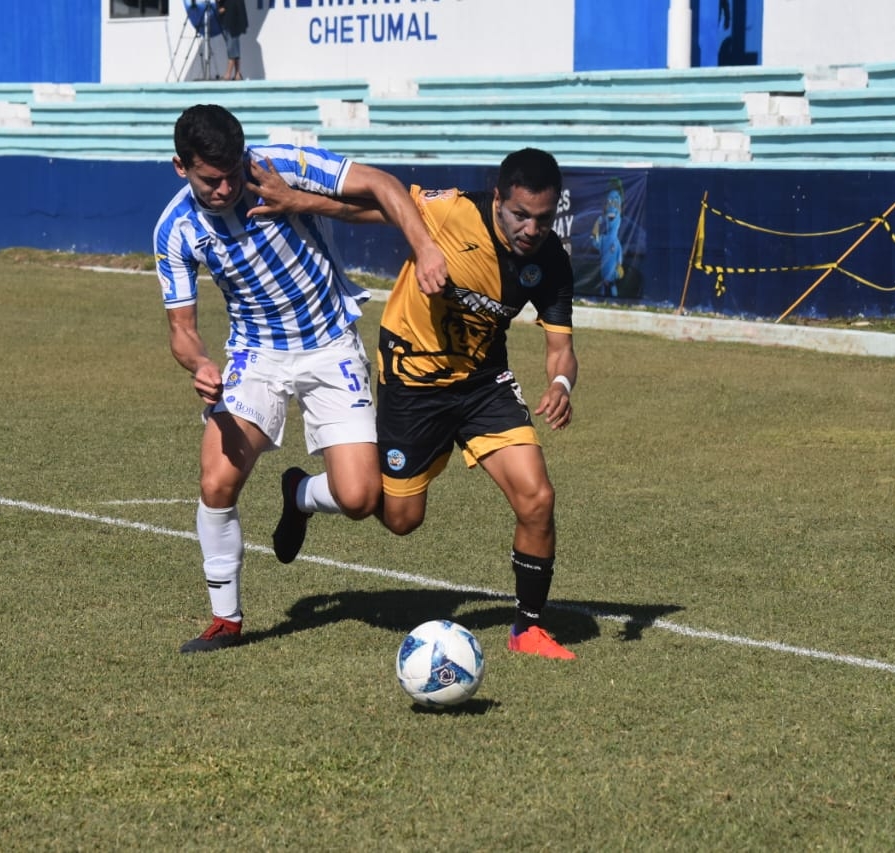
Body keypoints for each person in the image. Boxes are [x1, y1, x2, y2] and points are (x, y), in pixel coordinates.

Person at [253, 148, 580, 660]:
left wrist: (561, 383)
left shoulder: (551, 260)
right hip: (413, 382)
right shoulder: (452, 212)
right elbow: (380, 208)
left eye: (542, 218)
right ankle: (301, 493)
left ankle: (528, 628)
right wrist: (297, 199)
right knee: (401, 519)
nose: (531, 229)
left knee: (537, 497)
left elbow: (561, 348)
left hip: (482, 384)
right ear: (498, 199)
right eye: (521, 215)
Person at [155, 104, 446, 653]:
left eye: (233, 174)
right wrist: (199, 363)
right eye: (209, 179)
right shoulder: (175, 230)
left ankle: (299, 493)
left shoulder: (282, 164)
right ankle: (226, 619)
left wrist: (424, 247)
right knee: (217, 480)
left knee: (360, 498)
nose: (225, 189)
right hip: (255, 355)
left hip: (331, 342)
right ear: (180, 168)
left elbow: (383, 185)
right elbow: (181, 329)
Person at [217, 0, 248, 81]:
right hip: (230, 13)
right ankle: (237, 73)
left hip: (233, 13)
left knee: (232, 43)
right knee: (234, 43)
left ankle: (228, 73)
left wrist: (224, 7)